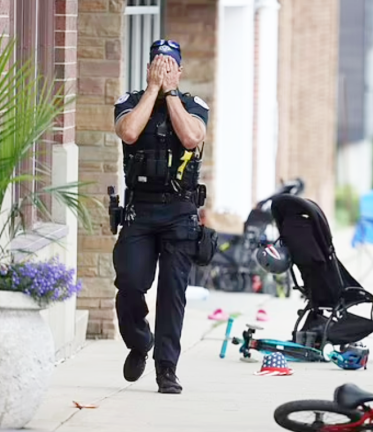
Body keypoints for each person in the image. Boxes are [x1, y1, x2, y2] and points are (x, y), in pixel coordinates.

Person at [112, 39, 209, 394]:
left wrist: (169, 94)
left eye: (171, 65)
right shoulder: (129, 102)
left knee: (173, 293)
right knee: (130, 283)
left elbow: (189, 137)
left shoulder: (193, 106)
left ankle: (166, 368)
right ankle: (139, 342)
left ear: (180, 71)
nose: (165, 68)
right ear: (149, 67)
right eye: (158, 63)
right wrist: (153, 89)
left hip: (180, 212)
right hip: (141, 211)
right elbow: (129, 132)